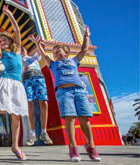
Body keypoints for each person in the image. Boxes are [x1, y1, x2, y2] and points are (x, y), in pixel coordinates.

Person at [33, 27, 101, 162]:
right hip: (64, 92)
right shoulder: (52, 64)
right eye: (54, 53)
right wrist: (37, 44)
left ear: (66, 53)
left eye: (58, 52)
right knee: (69, 117)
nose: (56, 54)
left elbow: (84, 50)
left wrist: (86, 36)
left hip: (79, 91)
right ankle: (73, 146)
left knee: (84, 118)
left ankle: (91, 146)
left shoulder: (74, 61)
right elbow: (43, 54)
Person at [0, 5, 28, 160]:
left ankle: (15, 145)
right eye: (0, 40)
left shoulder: (17, 50)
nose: (2, 42)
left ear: (10, 40)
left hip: (17, 84)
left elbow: (17, 31)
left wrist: (9, 14)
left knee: (16, 115)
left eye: (4, 39)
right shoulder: (1, 53)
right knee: (2, 106)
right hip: (6, 80)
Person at [22, 40, 53, 146]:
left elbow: (42, 48)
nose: (22, 51)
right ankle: (32, 133)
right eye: (20, 50)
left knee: (44, 103)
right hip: (27, 80)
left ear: (26, 51)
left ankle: (44, 132)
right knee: (30, 105)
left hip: (38, 77)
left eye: (23, 49)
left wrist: (37, 42)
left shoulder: (33, 58)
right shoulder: (19, 60)